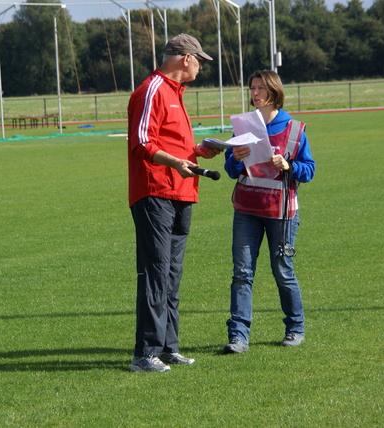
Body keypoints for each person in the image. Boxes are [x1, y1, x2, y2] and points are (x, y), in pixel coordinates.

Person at [127, 34, 220, 372]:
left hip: (182, 193)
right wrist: (174, 162)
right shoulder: (151, 89)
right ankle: (144, 354)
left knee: (172, 274)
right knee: (155, 272)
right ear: (185, 58)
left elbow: (172, 145)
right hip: (155, 192)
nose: (200, 66)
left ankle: (168, 347)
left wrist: (197, 152)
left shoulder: (176, 95)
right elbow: (140, 142)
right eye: (199, 60)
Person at [223, 70, 315, 354]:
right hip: (247, 210)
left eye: (260, 88)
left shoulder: (295, 129)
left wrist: (289, 165)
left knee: (283, 272)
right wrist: (235, 159)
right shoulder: (242, 126)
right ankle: (238, 337)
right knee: (242, 274)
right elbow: (230, 170)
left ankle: (295, 329)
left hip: (282, 213)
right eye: (252, 88)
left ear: (274, 92)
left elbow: (309, 170)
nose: (255, 93)